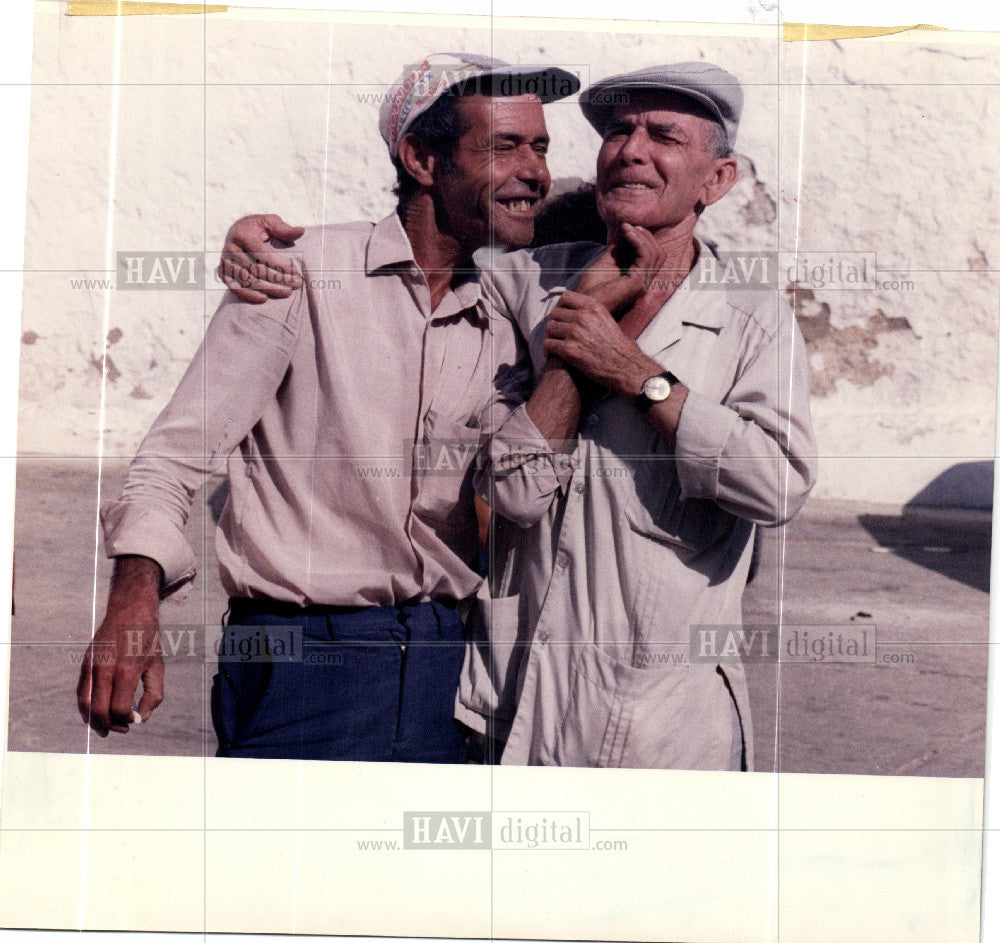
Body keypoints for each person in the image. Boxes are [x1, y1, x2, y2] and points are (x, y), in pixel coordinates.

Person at [219, 62, 818, 770]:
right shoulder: (523, 283)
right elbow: (513, 487)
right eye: (618, 131)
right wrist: (263, 246)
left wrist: (634, 373)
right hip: (506, 706)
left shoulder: (754, 318)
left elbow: (776, 483)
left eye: (664, 135)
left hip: (665, 724)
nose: (632, 149)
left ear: (716, 179)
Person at [76, 53, 581, 763]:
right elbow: (173, 455)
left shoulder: (507, 313)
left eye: (541, 147)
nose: (534, 170)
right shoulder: (298, 274)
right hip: (300, 662)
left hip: (449, 669)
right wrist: (132, 605)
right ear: (421, 158)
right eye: (505, 146)